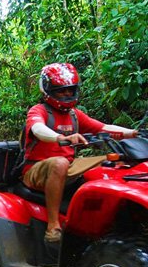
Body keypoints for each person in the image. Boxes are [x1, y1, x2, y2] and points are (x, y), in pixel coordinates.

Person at [22, 63, 137, 250]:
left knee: (114, 161)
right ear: (48, 91)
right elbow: (38, 129)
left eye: (70, 90)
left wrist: (132, 132)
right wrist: (60, 138)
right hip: (36, 169)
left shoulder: (74, 115)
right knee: (59, 163)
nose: (67, 94)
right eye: (61, 91)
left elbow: (103, 127)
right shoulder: (39, 111)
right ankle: (53, 227)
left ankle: (114, 221)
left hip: (68, 166)